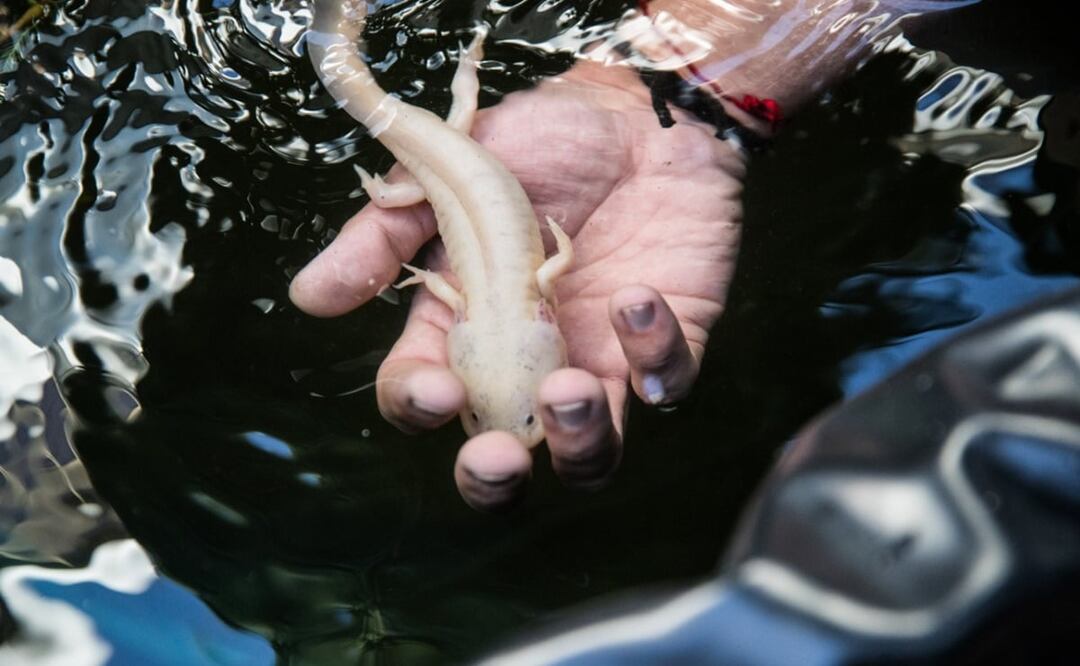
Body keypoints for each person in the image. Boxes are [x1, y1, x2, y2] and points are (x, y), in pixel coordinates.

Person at [288, 0, 974, 510]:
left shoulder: (518, 293)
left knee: (417, 159)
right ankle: (426, 117)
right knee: (431, 148)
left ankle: (391, 147)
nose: (517, 423)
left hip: (448, 164)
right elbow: (480, 282)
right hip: (449, 163)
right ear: (549, 320)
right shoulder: (476, 300)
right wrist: (693, 93)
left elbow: (524, 272)